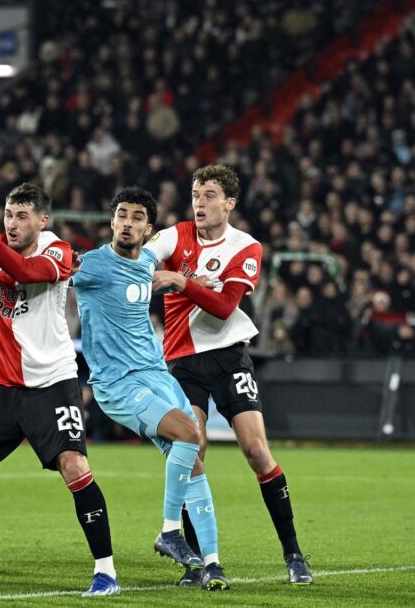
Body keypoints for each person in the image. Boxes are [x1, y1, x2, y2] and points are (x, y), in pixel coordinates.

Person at [0, 183, 119, 597]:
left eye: (22, 216)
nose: (13, 224)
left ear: (43, 220)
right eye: (8, 215)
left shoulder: (59, 251)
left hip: (52, 382)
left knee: (74, 467)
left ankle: (106, 572)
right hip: (0, 381)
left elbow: (25, 273)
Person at [147, 165, 313, 585]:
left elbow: (224, 308)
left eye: (209, 194)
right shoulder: (173, 236)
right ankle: (198, 562)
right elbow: (136, 266)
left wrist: (181, 281)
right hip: (183, 362)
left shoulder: (246, 247)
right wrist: (159, 276)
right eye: (196, 193)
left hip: (229, 358)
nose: (199, 202)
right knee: (191, 452)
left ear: (230, 203)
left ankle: (294, 554)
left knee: (257, 451)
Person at [73, 187, 229, 590]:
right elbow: (46, 271)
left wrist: (188, 280)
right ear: (111, 221)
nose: (127, 222)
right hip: (118, 383)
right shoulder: (90, 265)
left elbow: (156, 278)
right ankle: (169, 531)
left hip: (158, 375)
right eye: (121, 214)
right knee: (189, 432)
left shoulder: (145, 262)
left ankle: (209, 565)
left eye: (137, 217)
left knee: (195, 454)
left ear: (148, 228)